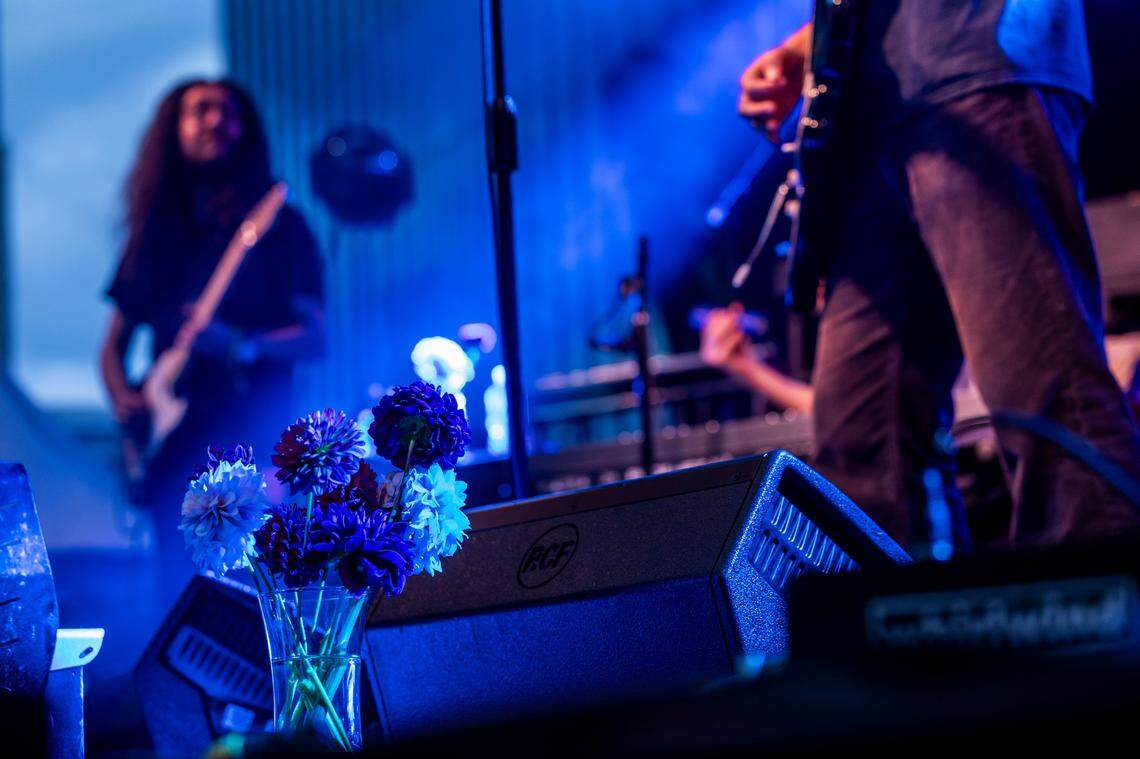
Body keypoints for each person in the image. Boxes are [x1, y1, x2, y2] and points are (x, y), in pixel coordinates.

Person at [729, 2, 1140, 551]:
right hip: (867, 121)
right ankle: (892, 627)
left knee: (1044, 395)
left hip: (980, 70)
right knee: (860, 440)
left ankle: (1094, 622)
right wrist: (801, 53)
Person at [100, 79, 325, 575]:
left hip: (255, 446)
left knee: (252, 587)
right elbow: (112, 348)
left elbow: (315, 337)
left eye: (228, 112)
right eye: (200, 110)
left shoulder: (278, 226)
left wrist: (241, 345)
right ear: (173, 129)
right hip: (171, 453)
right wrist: (126, 401)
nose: (215, 121)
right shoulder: (154, 235)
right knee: (173, 592)